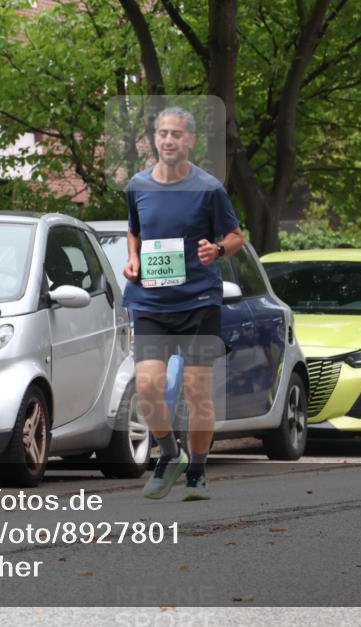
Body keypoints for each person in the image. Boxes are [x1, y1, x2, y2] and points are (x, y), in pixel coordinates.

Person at [123, 106, 244, 501]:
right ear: (154, 139)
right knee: (147, 388)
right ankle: (169, 454)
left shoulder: (208, 188)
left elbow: (236, 236)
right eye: (162, 133)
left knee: (196, 391)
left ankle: (197, 472)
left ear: (190, 140)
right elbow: (134, 230)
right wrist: (134, 258)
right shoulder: (138, 185)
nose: (169, 140)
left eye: (177, 134)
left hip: (198, 303)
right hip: (151, 302)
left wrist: (218, 250)